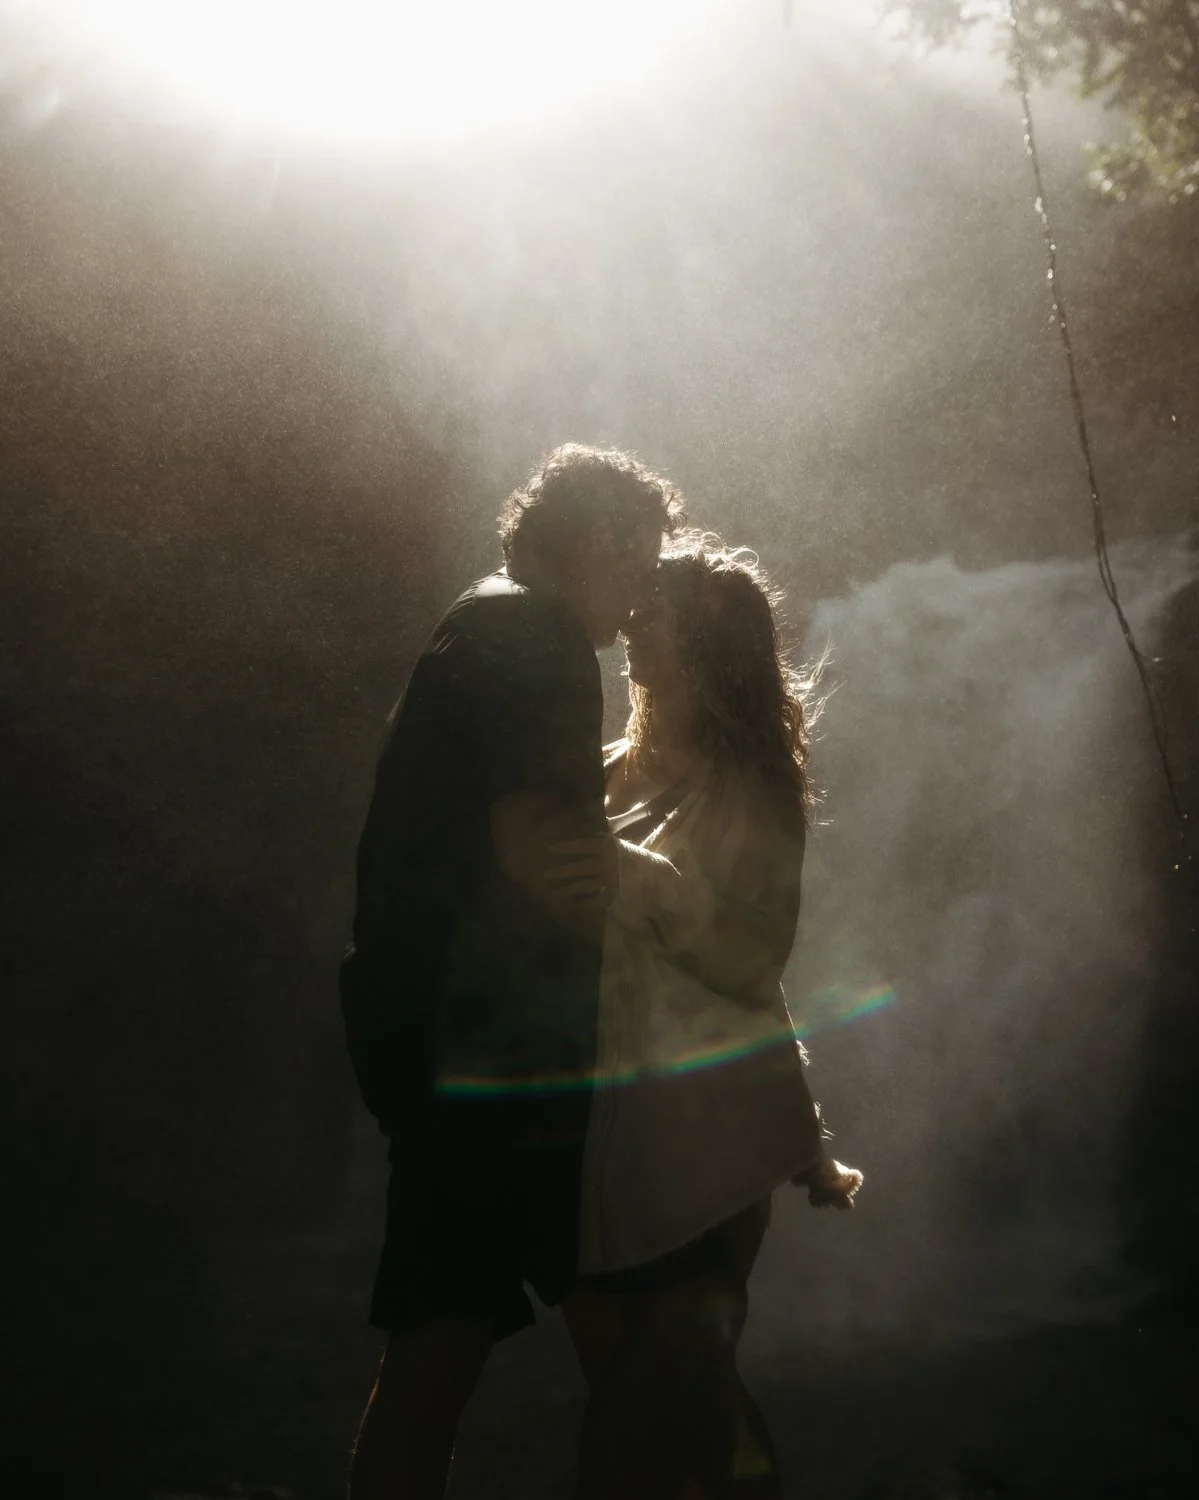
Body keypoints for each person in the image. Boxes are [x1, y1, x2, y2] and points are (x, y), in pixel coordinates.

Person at [339, 443, 685, 1500]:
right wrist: (689, 909)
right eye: (641, 564)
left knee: (440, 1337)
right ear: (601, 539)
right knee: (635, 1328)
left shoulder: (476, 618)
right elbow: (547, 855)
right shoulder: (537, 636)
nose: (638, 607)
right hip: (506, 1049)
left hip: (429, 1032)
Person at [552, 535, 862, 1500]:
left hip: (715, 1123)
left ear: (709, 644)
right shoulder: (602, 772)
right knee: (637, 1394)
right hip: (597, 1124)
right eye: (638, 608)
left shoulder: (754, 786)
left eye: (659, 614)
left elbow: (752, 953)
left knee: (673, 1391)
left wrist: (632, 879)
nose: (633, 627)